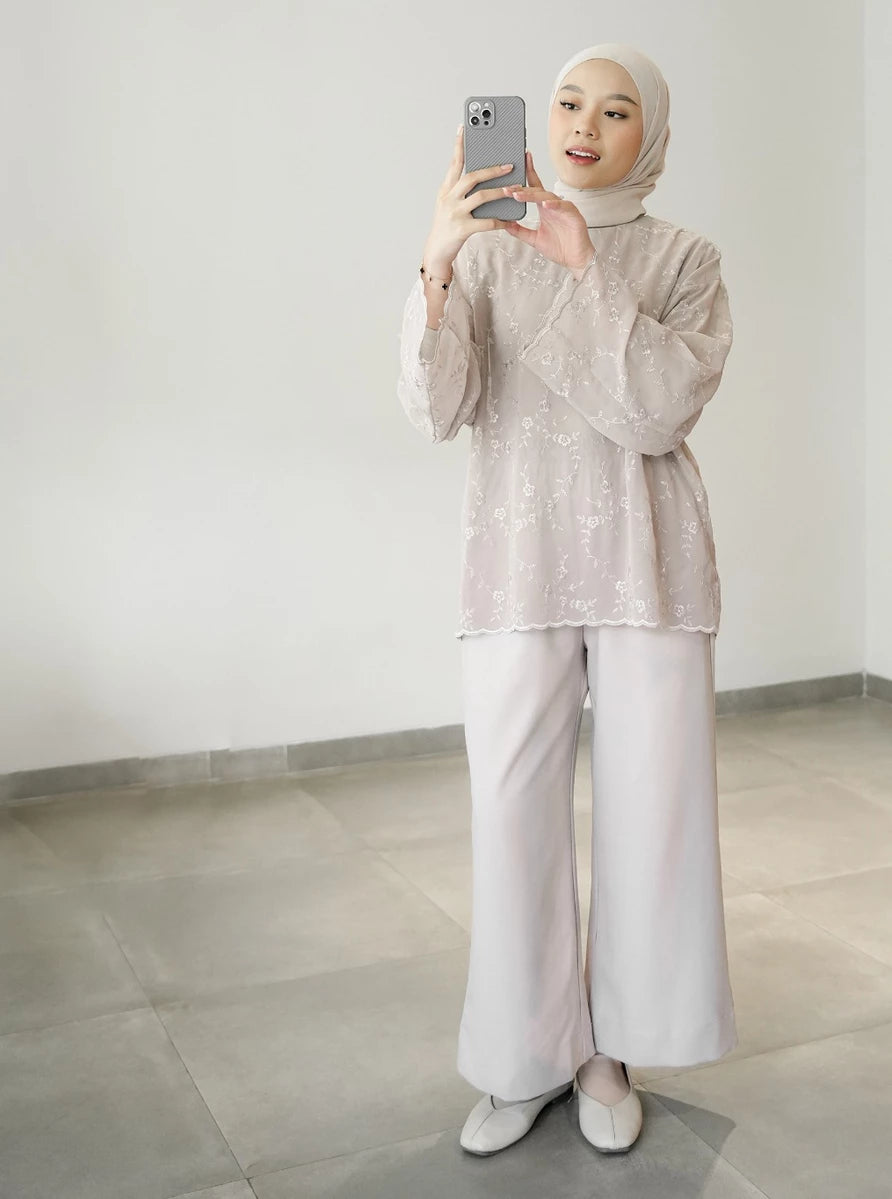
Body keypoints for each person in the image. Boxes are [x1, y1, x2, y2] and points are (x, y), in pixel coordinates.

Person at [396, 42, 738, 1157]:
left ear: (656, 134)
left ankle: (610, 1051)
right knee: (512, 820)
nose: (588, 125)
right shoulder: (489, 250)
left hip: (650, 568)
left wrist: (586, 267)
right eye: (570, 103)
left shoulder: (687, 258)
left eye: (620, 109)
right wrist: (439, 262)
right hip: (518, 563)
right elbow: (435, 407)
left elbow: (656, 410)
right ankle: (522, 1053)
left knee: (653, 817)